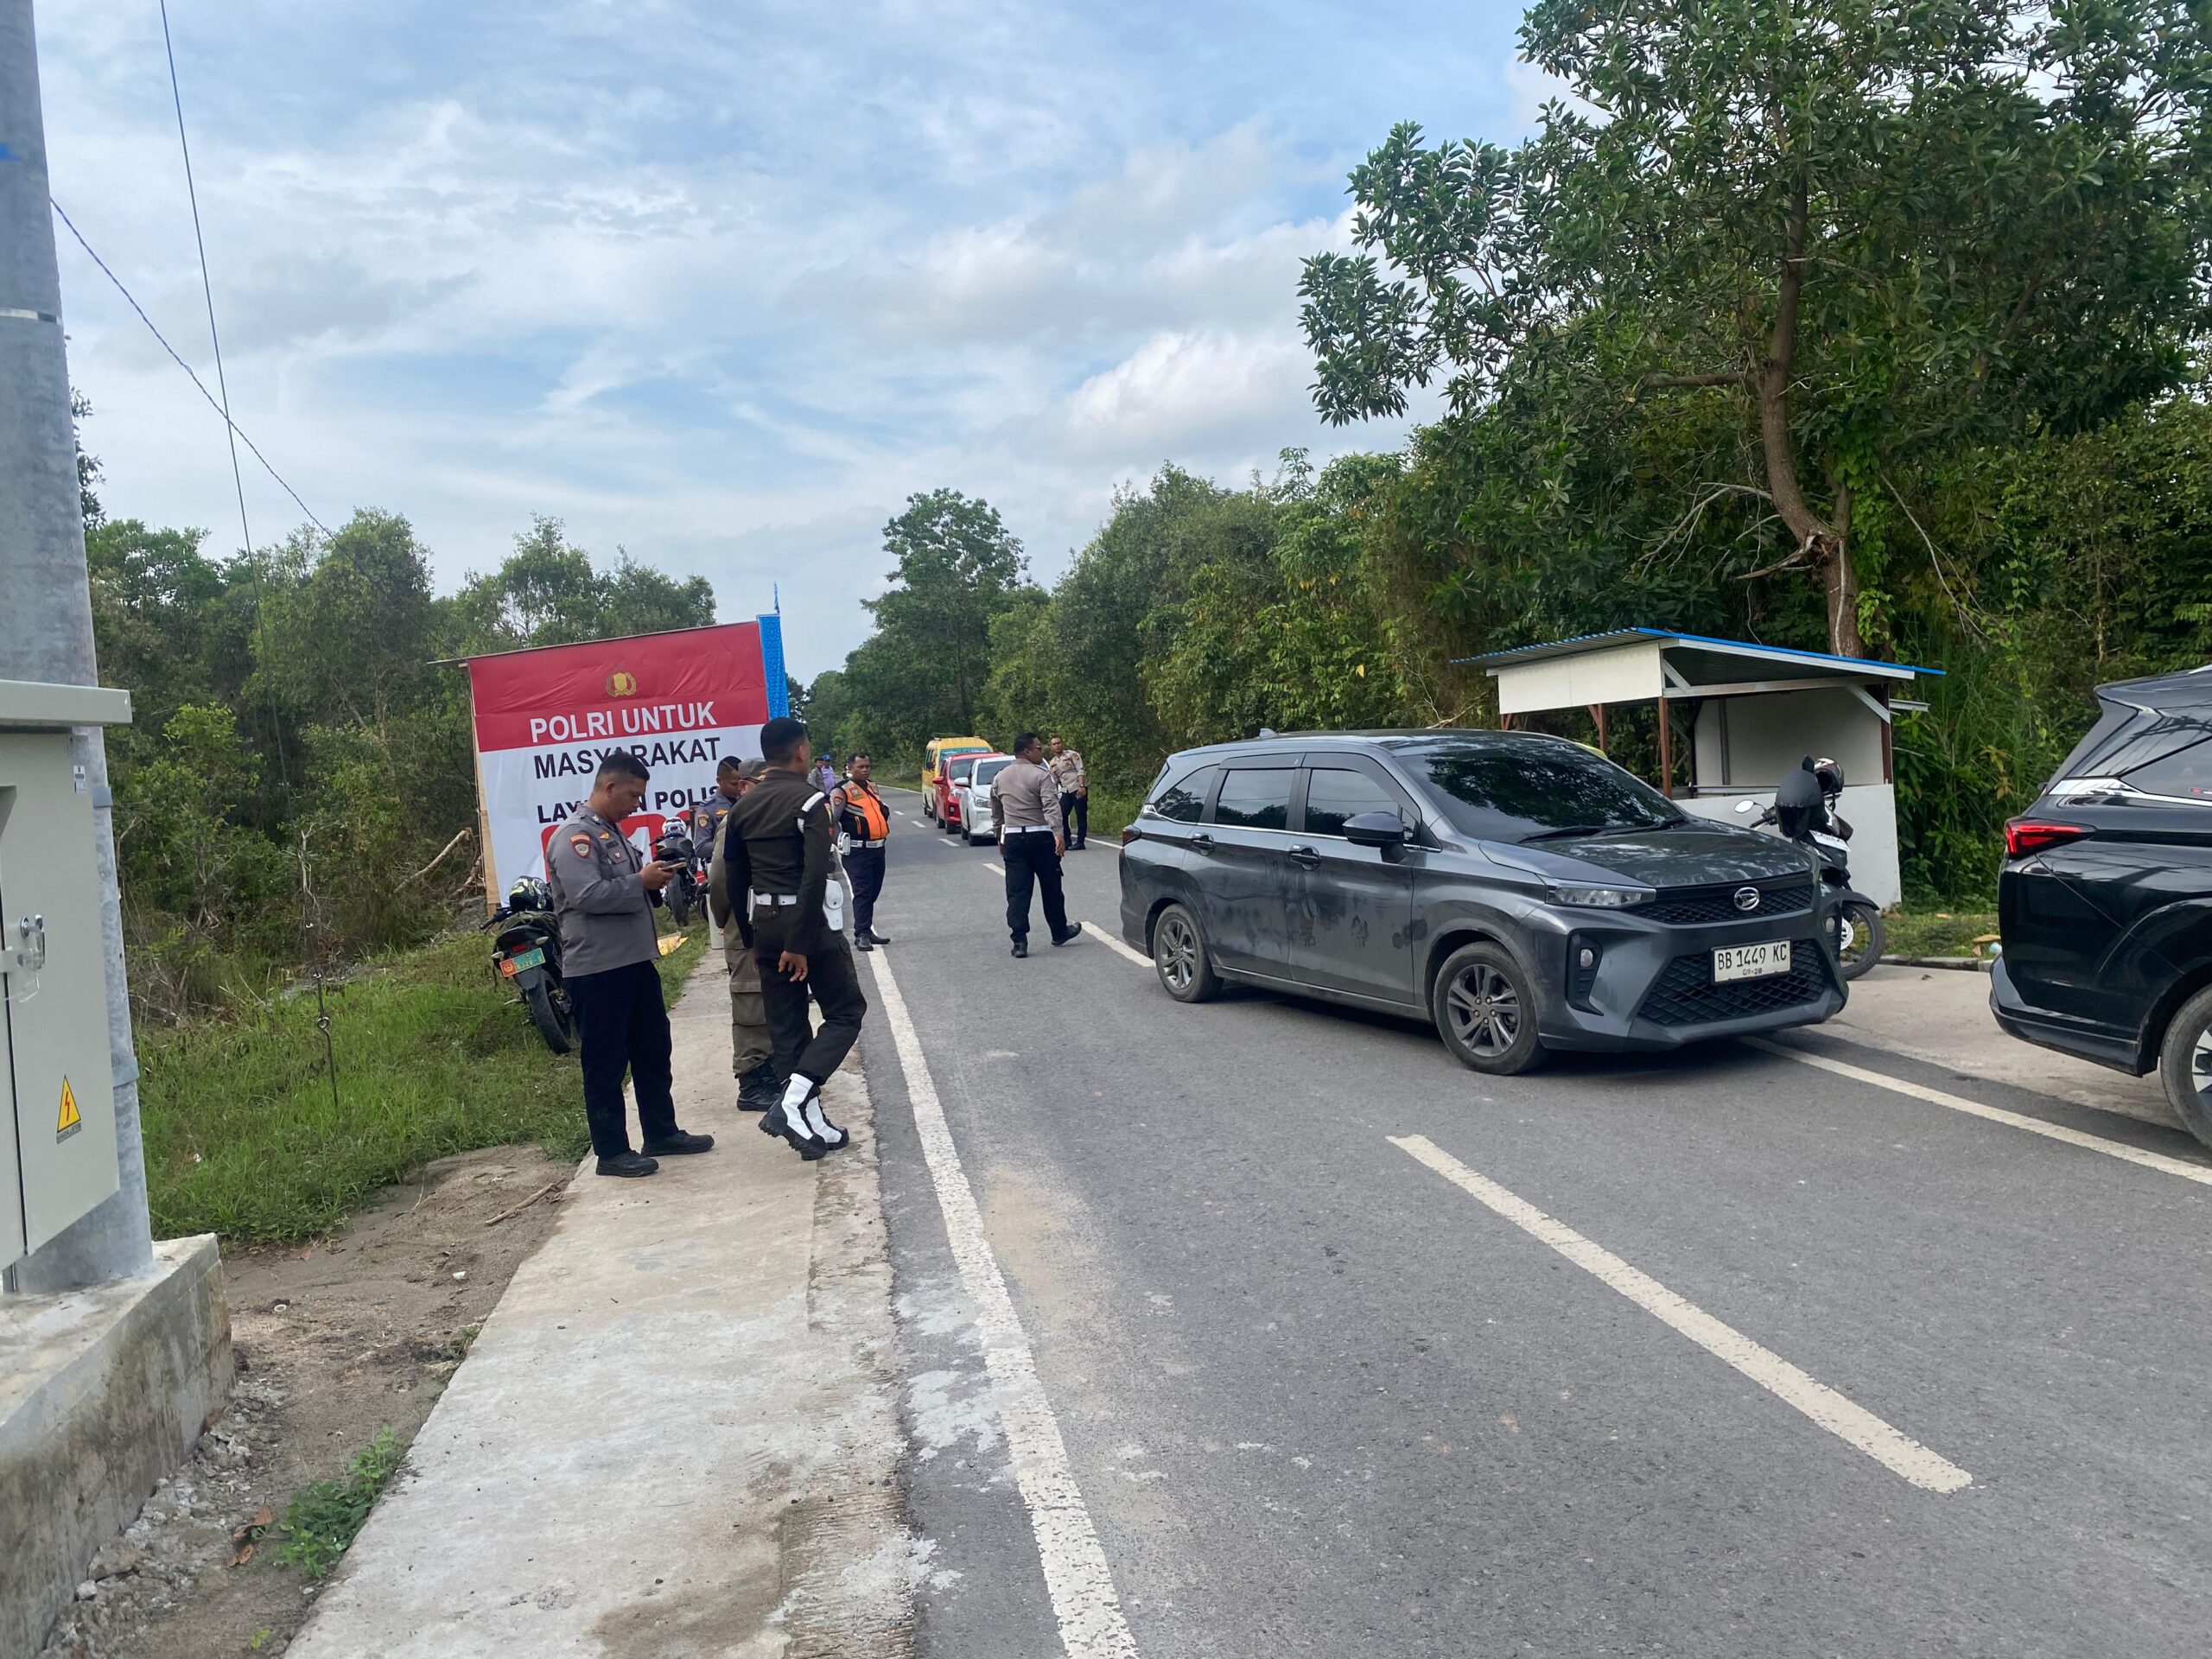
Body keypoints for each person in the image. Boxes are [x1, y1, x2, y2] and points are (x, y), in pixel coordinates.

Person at [544, 750, 715, 1178]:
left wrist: (655, 880)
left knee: (653, 1051)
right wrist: (640, 881)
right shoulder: (574, 837)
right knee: (605, 1063)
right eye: (634, 796)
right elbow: (587, 896)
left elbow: (628, 887)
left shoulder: (611, 833)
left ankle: (661, 1132)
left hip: (635, 962)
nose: (637, 805)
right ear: (610, 787)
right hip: (598, 970)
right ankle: (612, 1152)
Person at [722, 716, 867, 1158]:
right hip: (807, 928)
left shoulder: (742, 807)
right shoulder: (811, 801)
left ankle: (810, 1126)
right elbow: (813, 876)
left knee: (787, 1028)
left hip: (764, 925)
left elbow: (735, 879)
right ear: (801, 751)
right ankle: (792, 1103)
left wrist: (752, 939)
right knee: (846, 1012)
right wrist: (798, 944)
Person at [708, 758, 779, 1110]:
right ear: (743, 786)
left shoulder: (772, 815)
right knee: (751, 1000)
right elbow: (720, 879)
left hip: (771, 921)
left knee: (773, 999)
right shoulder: (735, 821)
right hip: (744, 919)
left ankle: (774, 1072)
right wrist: (728, 918)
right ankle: (752, 1081)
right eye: (760, 784)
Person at [991, 731, 1080, 958]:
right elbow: (1051, 806)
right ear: (1027, 751)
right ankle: (1059, 932)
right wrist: (1058, 834)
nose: (1042, 751)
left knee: (1017, 891)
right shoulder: (1041, 775)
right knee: (1051, 887)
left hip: (1013, 839)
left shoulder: (1000, 777)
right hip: (1040, 837)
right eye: (1039, 748)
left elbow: (997, 811)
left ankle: (1019, 941)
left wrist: (999, 836)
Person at [830, 751, 894, 951]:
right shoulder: (841, 791)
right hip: (857, 851)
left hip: (878, 849)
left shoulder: (872, 787)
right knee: (863, 891)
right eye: (860, 767)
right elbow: (831, 821)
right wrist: (839, 841)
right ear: (850, 768)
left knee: (873, 890)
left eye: (868, 766)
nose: (865, 770)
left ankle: (866, 928)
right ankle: (862, 935)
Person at [1047, 735, 1089, 850]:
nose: (1057, 745)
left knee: (1081, 814)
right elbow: (1055, 780)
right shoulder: (1053, 763)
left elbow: (1080, 770)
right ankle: (1067, 840)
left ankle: (1080, 842)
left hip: (1077, 787)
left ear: (1062, 744)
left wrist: (1081, 786)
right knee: (1062, 814)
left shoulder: (1072, 755)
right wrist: (1052, 794)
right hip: (1065, 790)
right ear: (1051, 747)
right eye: (1054, 744)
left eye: (1058, 743)